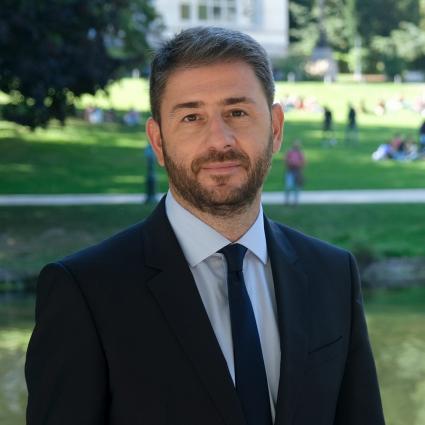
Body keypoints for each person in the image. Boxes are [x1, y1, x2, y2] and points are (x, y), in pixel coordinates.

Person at [26, 27, 385, 425]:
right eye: (192, 117)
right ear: (158, 141)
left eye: (238, 112)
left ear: (276, 128)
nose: (219, 140)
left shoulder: (333, 274)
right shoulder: (85, 292)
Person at [284, 140, 305, 205]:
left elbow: (303, 162)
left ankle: (295, 202)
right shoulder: (290, 152)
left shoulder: (300, 153)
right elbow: (285, 160)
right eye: (295, 144)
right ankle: (287, 201)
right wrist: (290, 163)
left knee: (296, 188)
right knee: (288, 186)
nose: (296, 146)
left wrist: (298, 165)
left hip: (297, 172)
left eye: (297, 145)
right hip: (290, 171)